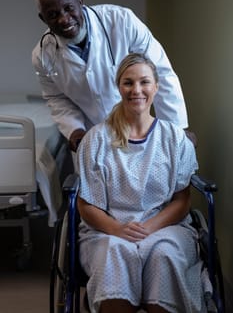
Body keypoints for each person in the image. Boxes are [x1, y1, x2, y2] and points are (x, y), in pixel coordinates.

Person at [76, 53, 211, 313]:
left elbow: (182, 200)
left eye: (144, 82)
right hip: (107, 230)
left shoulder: (175, 139)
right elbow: (86, 205)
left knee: (164, 255)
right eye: (128, 83)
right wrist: (117, 229)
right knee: (115, 256)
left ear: (156, 87)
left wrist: (148, 228)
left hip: (165, 226)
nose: (136, 90)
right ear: (119, 87)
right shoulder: (96, 139)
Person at [32, 0, 195, 152]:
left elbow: (160, 72)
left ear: (80, 2)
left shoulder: (122, 21)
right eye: (53, 15)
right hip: (92, 139)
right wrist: (75, 130)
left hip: (137, 129)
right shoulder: (42, 56)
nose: (64, 19)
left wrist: (176, 129)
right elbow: (56, 98)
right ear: (43, 19)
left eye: (69, 8)